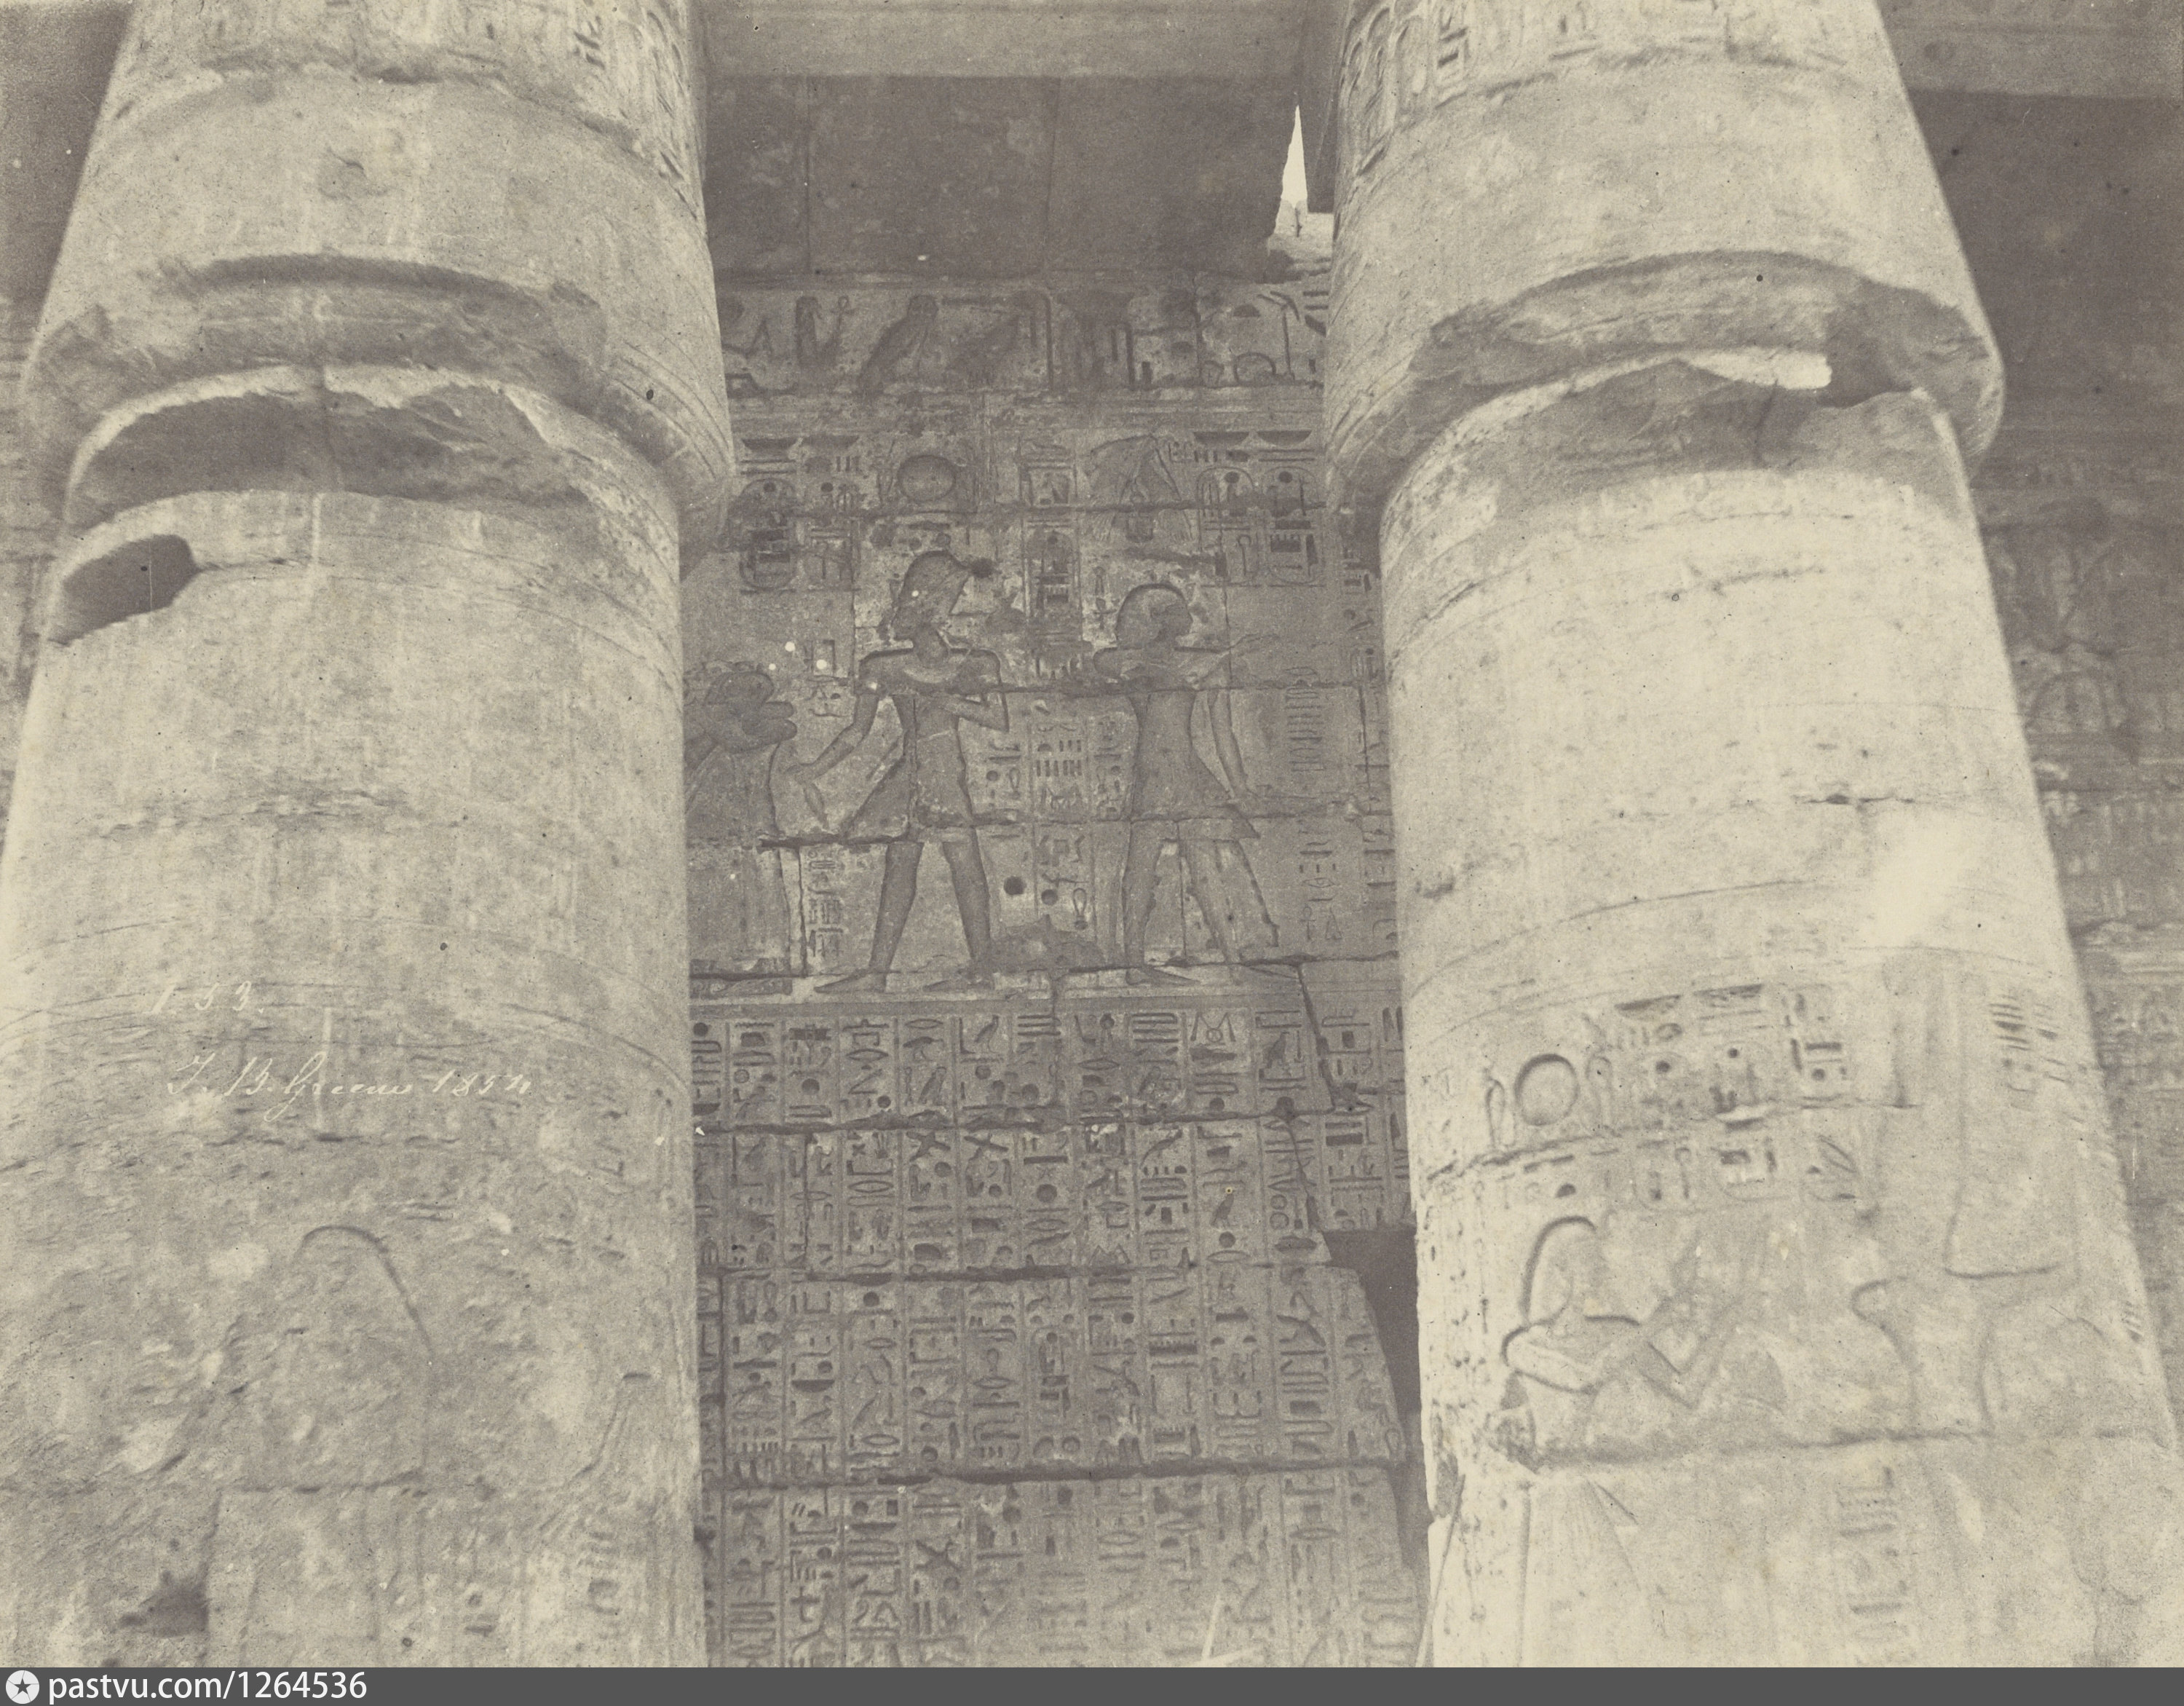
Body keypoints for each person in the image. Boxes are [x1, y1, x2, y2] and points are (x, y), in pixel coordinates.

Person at [790, 551, 1006, 990]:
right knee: (900, 866)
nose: (934, 619)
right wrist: (815, 769)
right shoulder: (882, 667)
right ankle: (877, 973)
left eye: (940, 607)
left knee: (964, 865)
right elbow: (856, 732)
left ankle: (982, 970)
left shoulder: (977, 663)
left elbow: (999, 719)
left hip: (944, 772)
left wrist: (953, 703)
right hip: (911, 771)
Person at [1094, 582, 1275, 980]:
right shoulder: (1129, 661)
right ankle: (1134, 963)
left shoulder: (1204, 665)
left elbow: (1224, 734)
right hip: (1154, 773)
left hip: (1186, 771)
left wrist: (1240, 788)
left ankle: (1232, 961)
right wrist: (1217, 659)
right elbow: (1118, 665)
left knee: (1204, 867)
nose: (1121, 628)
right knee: (1140, 868)